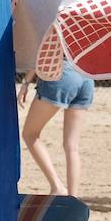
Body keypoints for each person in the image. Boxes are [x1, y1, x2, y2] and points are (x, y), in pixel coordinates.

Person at [19, 66, 93, 197]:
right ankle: (72, 198)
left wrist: (26, 82)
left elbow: (40, 53)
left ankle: (57, 186)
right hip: (86, 77)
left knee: (30, 134)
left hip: (60, 73)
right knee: (72, 147)